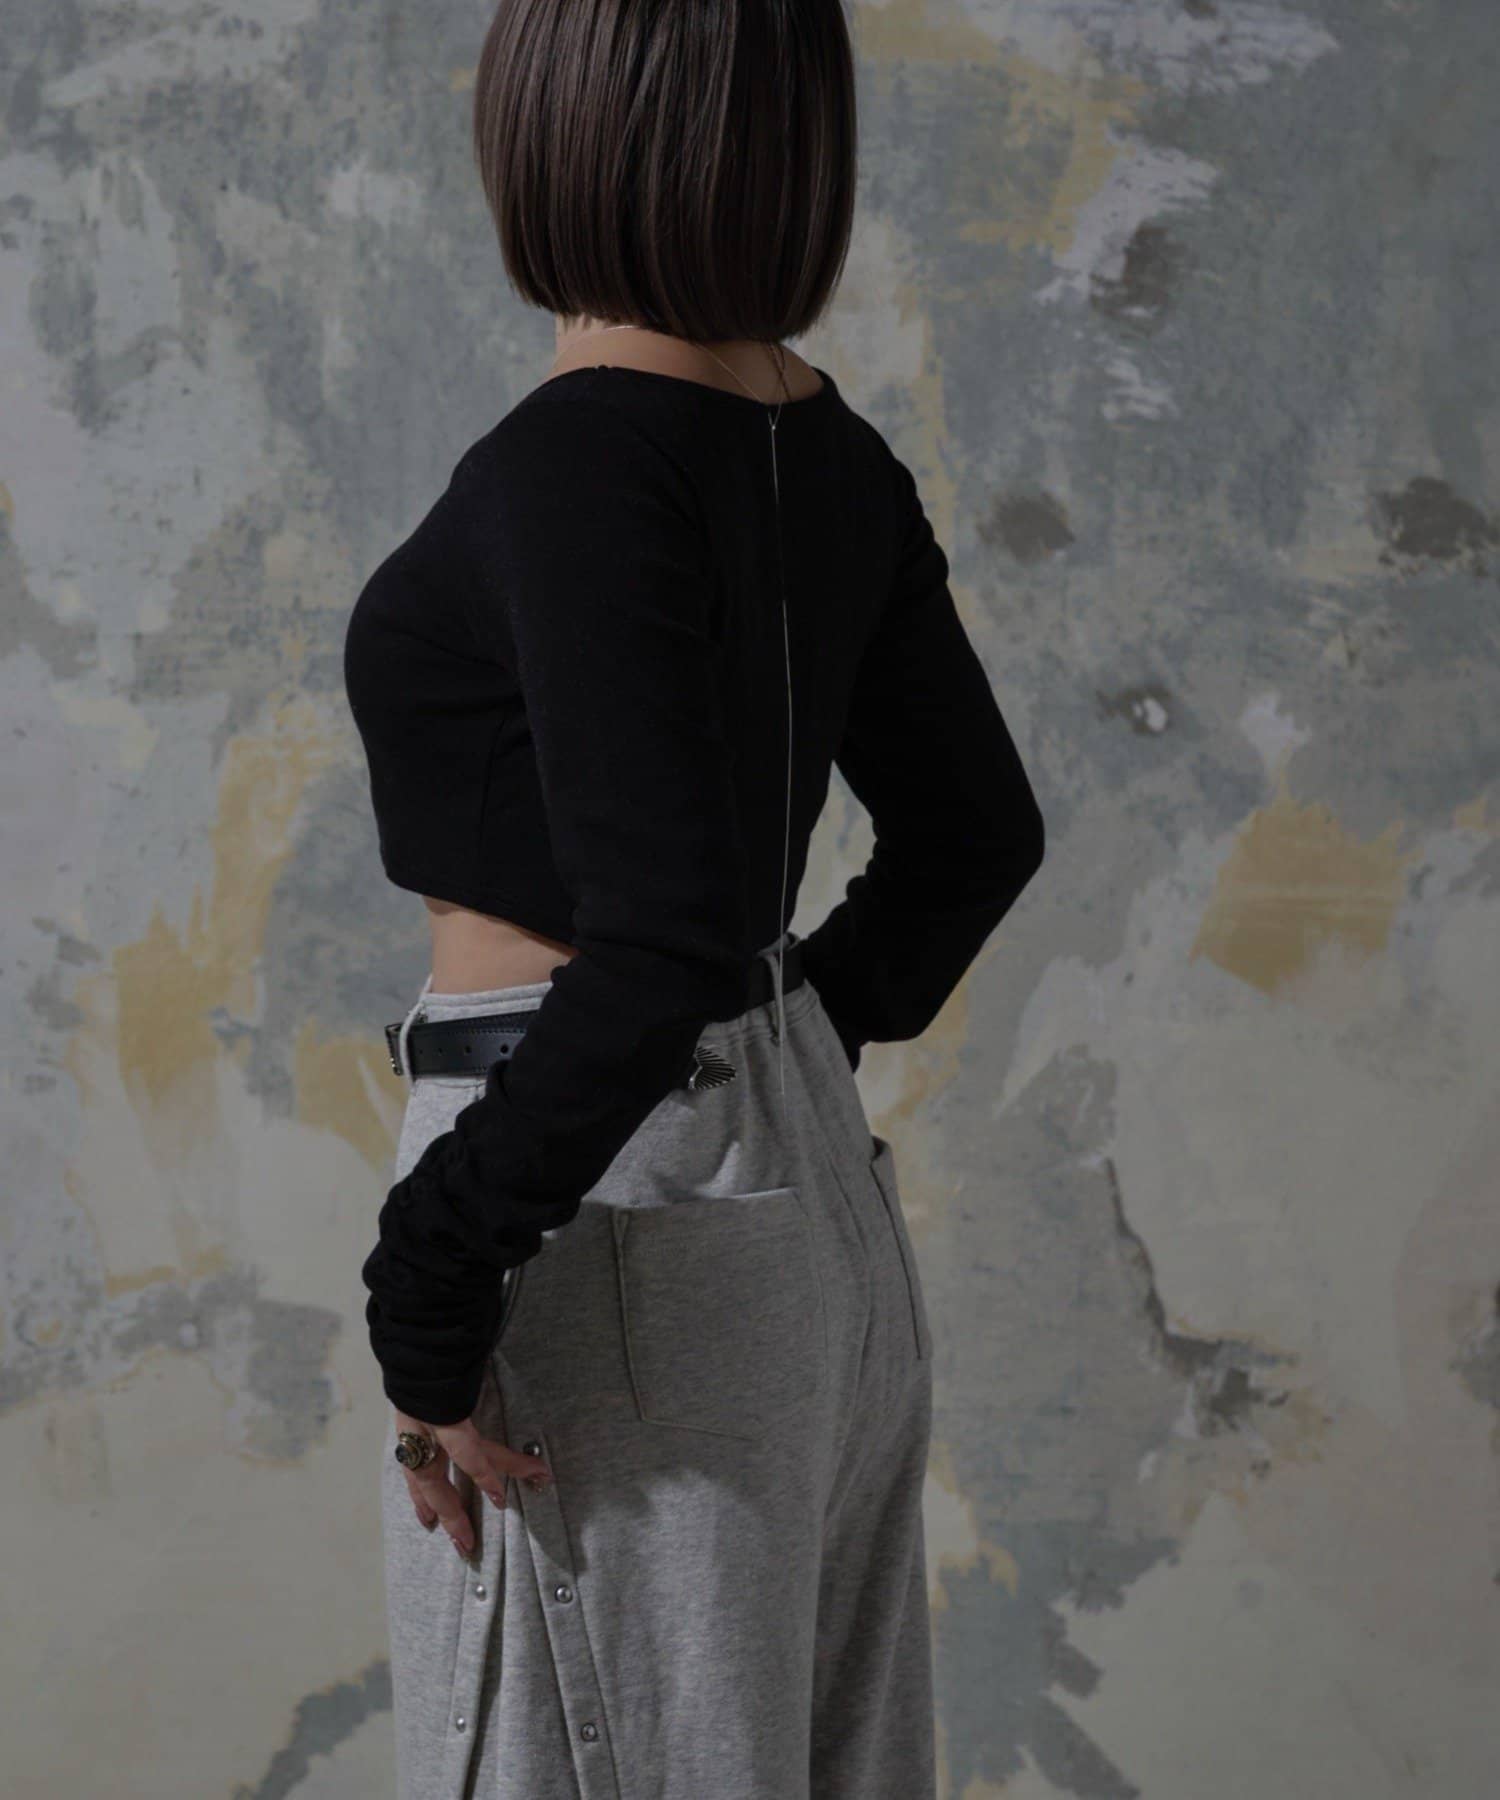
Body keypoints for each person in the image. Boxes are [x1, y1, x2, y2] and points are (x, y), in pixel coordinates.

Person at [341, 1, 1045, 1794]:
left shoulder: (579, 454)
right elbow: (973, 837)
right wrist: (777, 1057)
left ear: (563, 115)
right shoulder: (830, 451)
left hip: (605, 1213)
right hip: (790, 1213)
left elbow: (659, 935)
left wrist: (433, 1272)